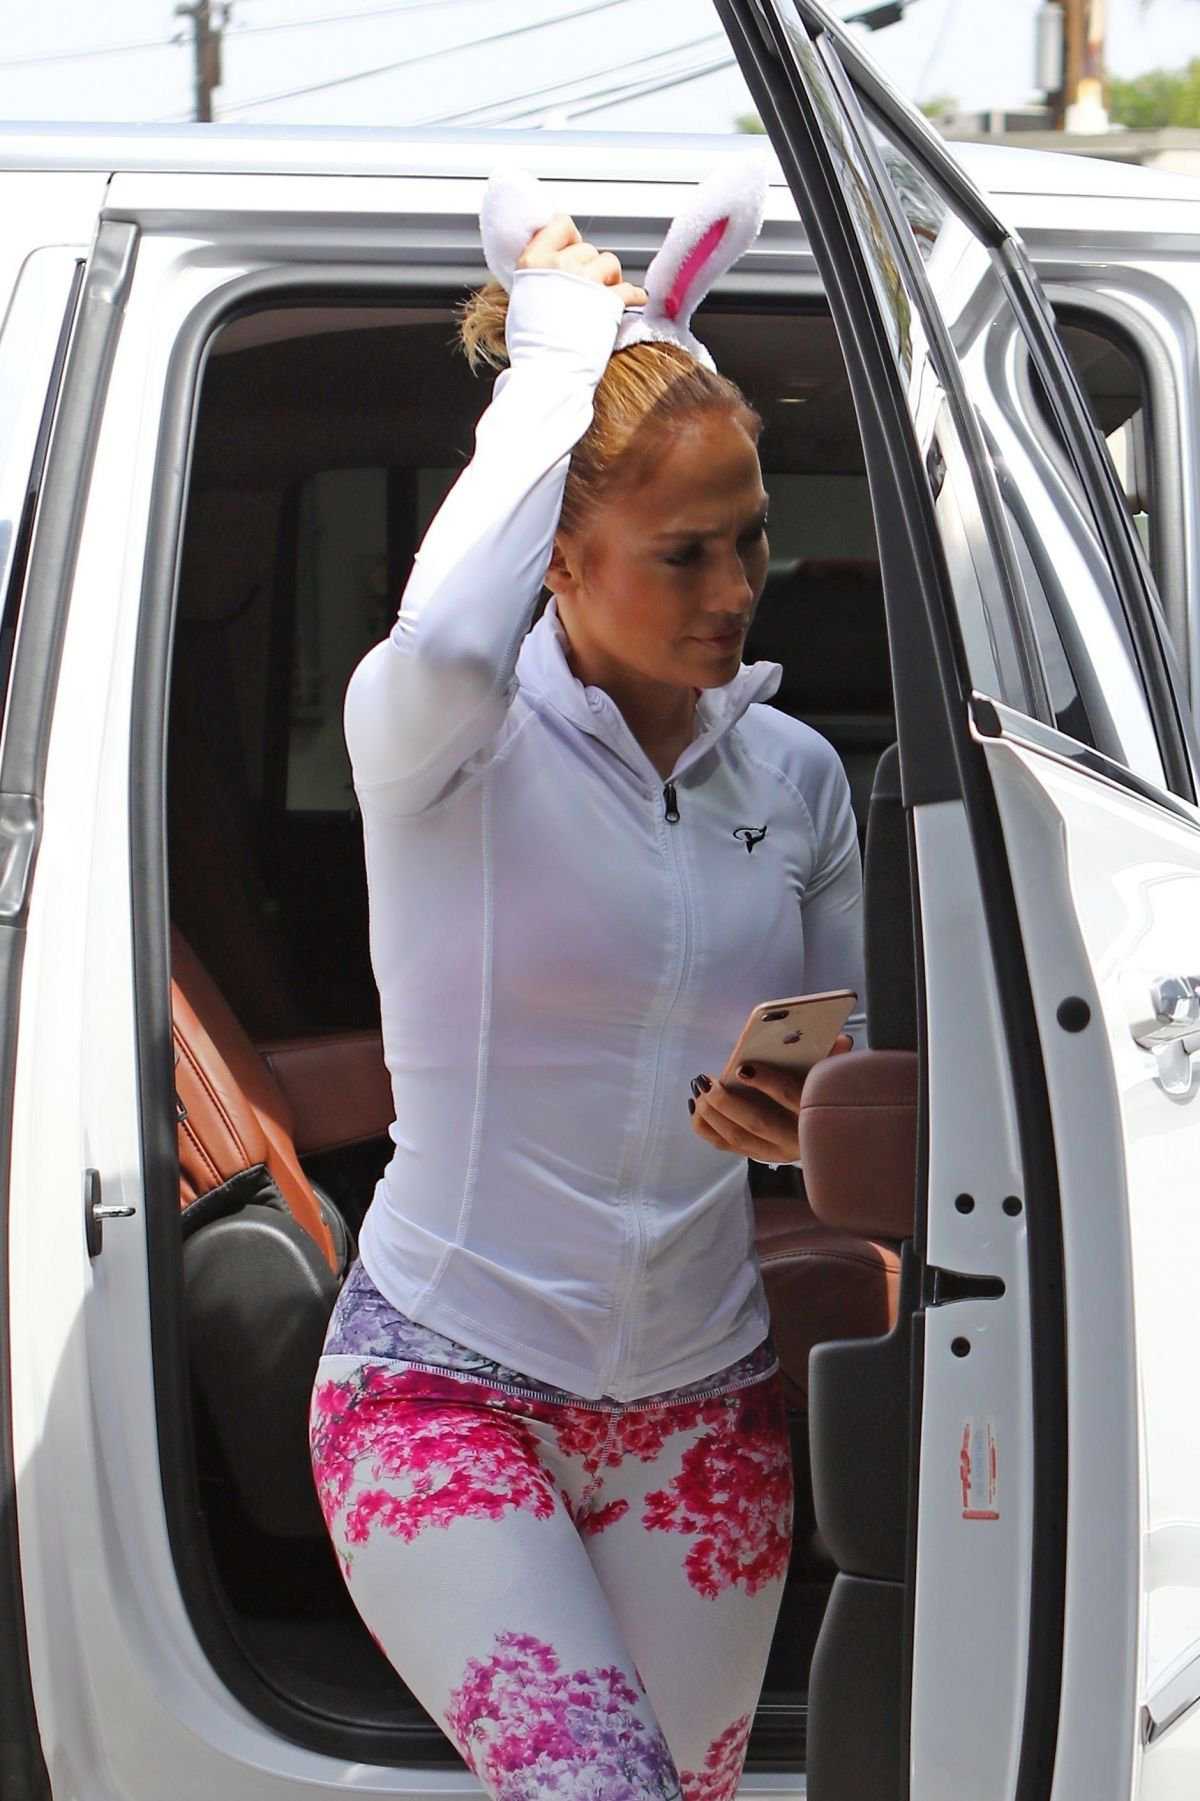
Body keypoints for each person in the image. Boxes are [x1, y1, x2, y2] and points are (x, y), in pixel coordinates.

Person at [309, 191, 864, 1801]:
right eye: (684, 551)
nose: (735, 584)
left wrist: (802, 1119)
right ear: (557, 555)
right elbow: (445, 640)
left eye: (751, 535)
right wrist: (556, 356)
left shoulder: (796, 775)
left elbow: (855, 1055)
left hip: (707, 1402)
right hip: (442, 1381)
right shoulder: (445, 740)